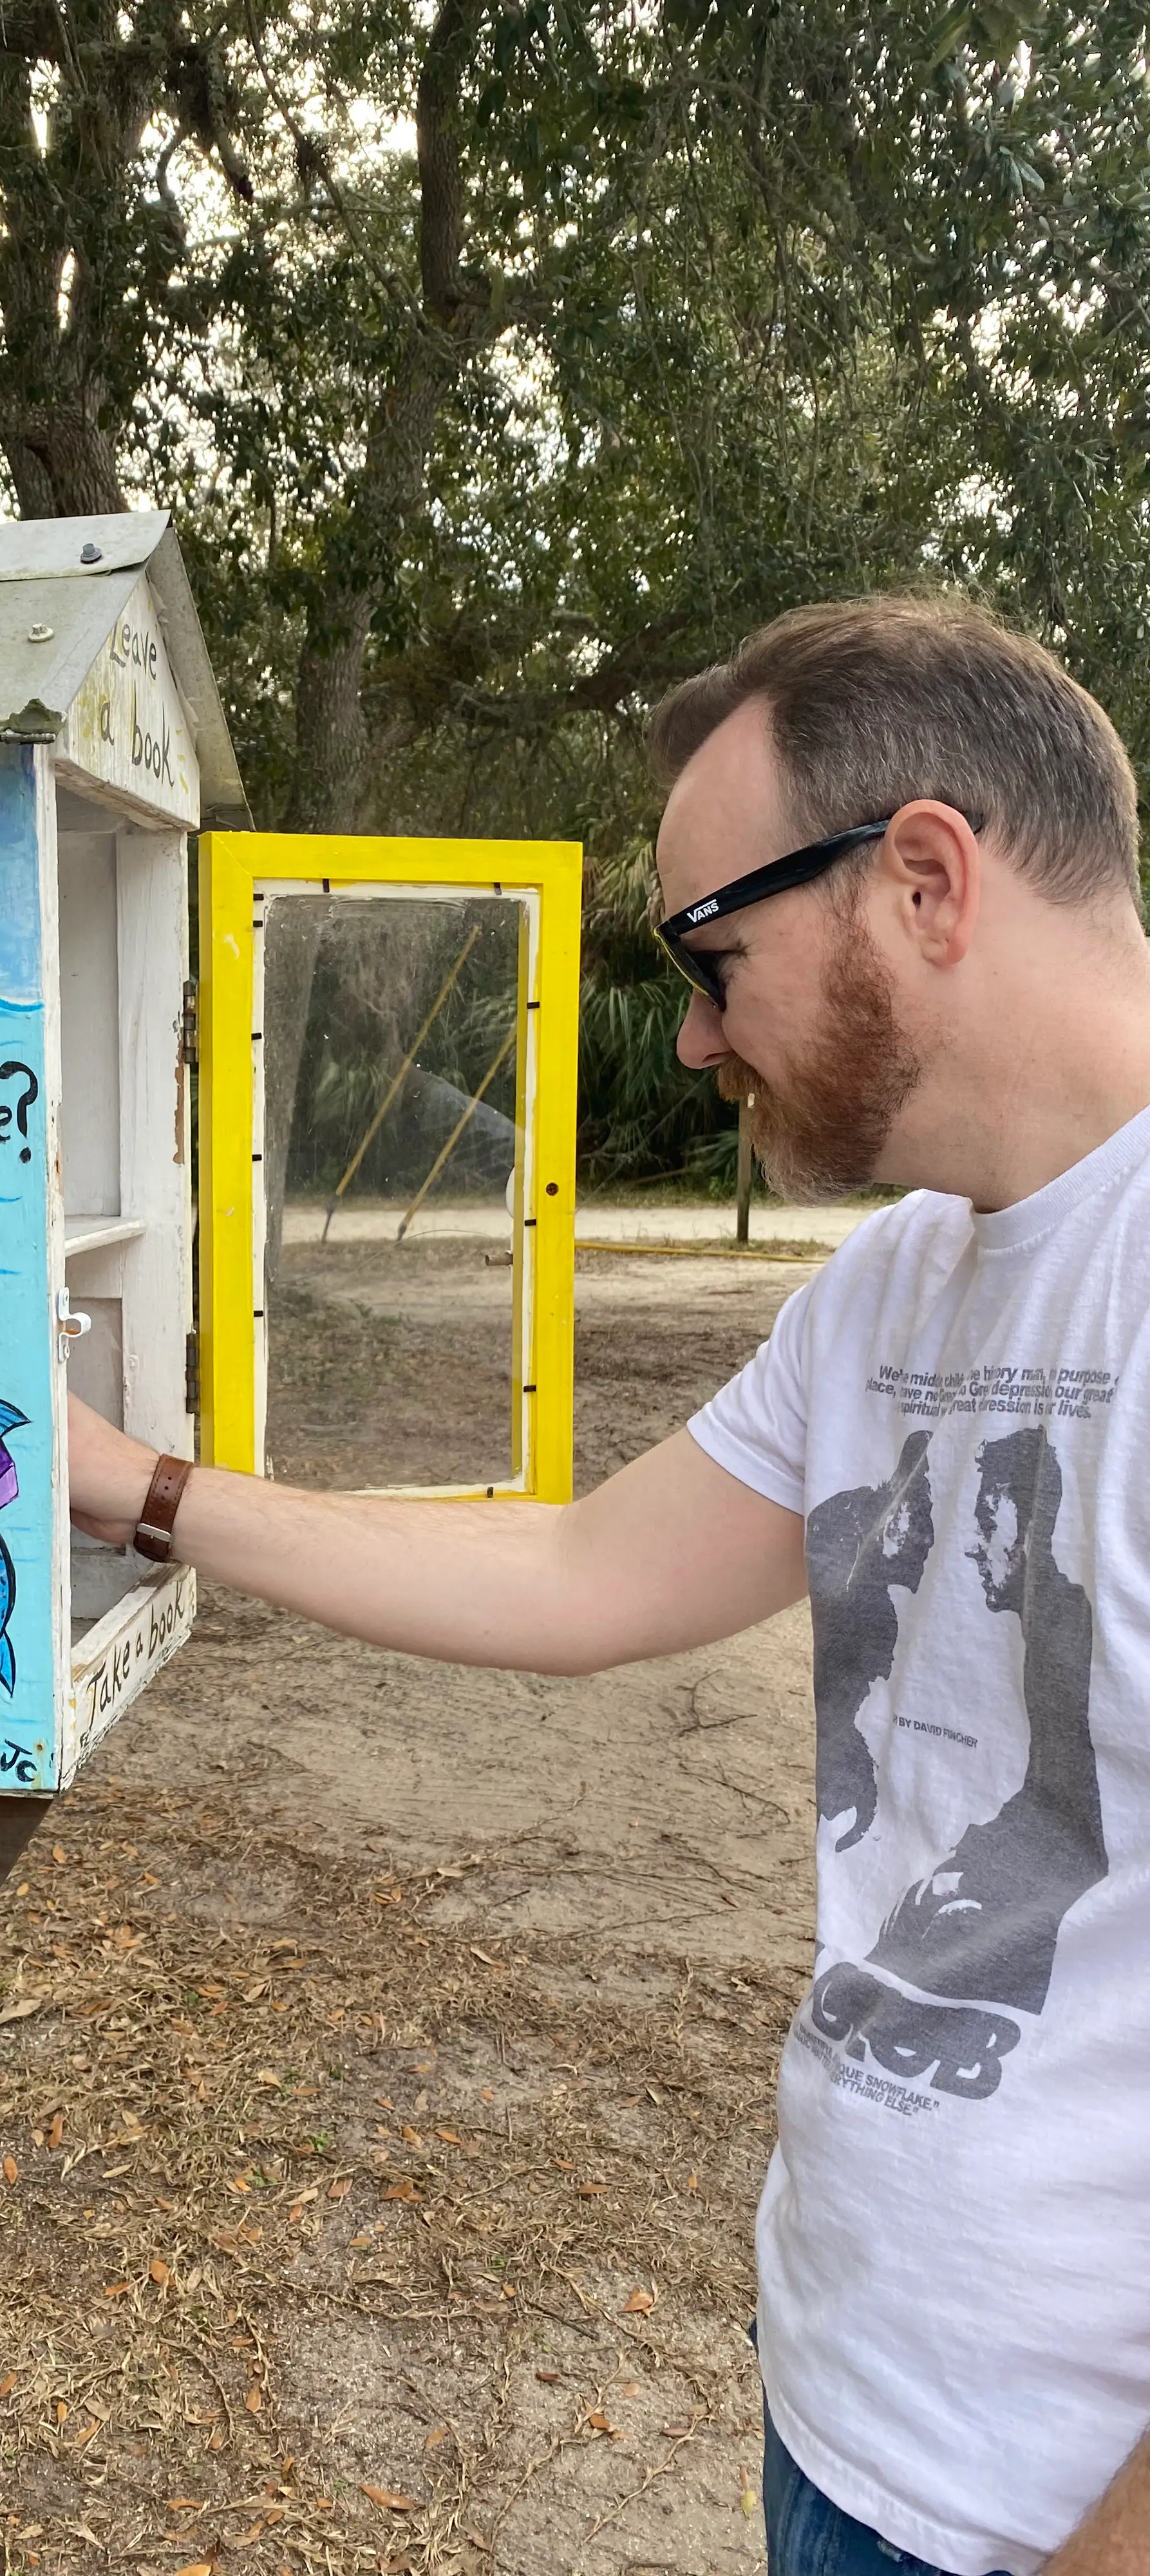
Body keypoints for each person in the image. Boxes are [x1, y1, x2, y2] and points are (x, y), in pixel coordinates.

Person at [69, 593, 1150, 2576]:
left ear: (921, 878)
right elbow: (581, 1567)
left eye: (710, 954)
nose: (694, 1032)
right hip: (846, 2411)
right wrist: (135, 1489)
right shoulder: (896, 1289)